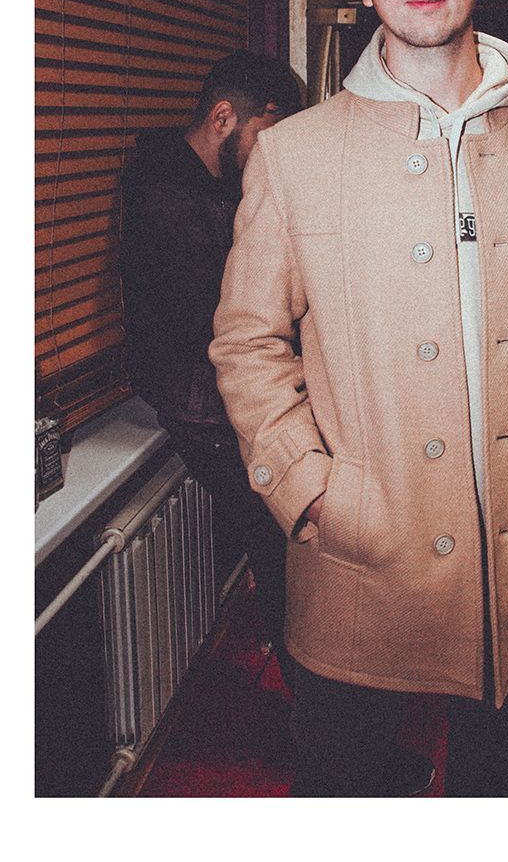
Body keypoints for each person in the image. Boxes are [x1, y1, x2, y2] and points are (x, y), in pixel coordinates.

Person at [209, 0, 508, 797]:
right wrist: (311, 489)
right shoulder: (292, 155)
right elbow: (246, 344)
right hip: (358, 567)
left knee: (490, 801)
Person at [118, 51, 303, 690]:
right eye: (266, 134)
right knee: (286, 552)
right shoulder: (167, 198)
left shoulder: (210, 184)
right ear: (223, 118)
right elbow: (215, 321)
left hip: (222, 395)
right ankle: (316, 714)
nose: (270, 153)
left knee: (288, 553)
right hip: (205, 406)